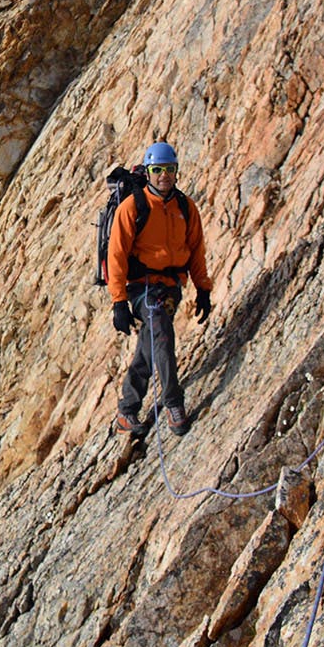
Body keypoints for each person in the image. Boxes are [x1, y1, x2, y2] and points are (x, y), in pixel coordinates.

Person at [110, 141, 214, 437]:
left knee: (151, 343)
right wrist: (119, 301)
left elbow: (196, 251)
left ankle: (127, 410)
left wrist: (202, 288)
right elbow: (116, 256)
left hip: (171, 288)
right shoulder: (133, 207)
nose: (164, 176)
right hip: (142, 288)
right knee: (162, 336)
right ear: (149, 171)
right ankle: (173, 403)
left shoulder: (185, 207)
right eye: (158, 170)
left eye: (169, 170)